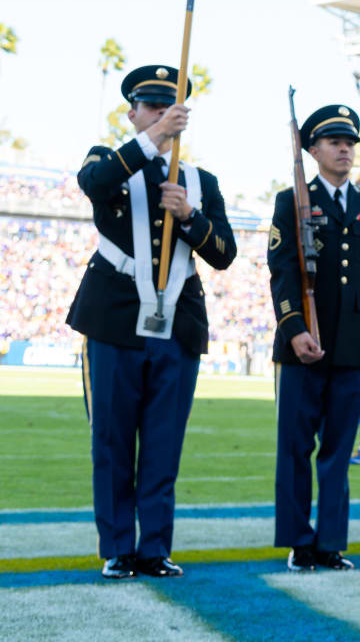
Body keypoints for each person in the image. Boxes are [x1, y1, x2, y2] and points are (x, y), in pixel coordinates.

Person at [68, 64, 237, 579]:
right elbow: (95, 184)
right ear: (133, 112)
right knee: (113, 442)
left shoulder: (200, 181)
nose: (163, 114)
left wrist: (190, 217)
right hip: (115, 324)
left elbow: (225, 252)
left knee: (163, 445)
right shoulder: (110, 160)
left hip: (176, 325)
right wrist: (153, 139)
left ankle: (155, 548)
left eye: (170, 107)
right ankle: (118, 547)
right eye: (152, 106)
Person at [268, 104, 360, 572]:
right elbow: (280, 272)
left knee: (338, 452)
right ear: (313, 149)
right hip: (302, 349)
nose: (345, 149)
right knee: (295, 449)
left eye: (350, 143)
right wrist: (294, 328)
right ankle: (300, 541)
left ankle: (331, 543)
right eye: (335, 142)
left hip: (354, 348)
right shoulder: (291, 202)